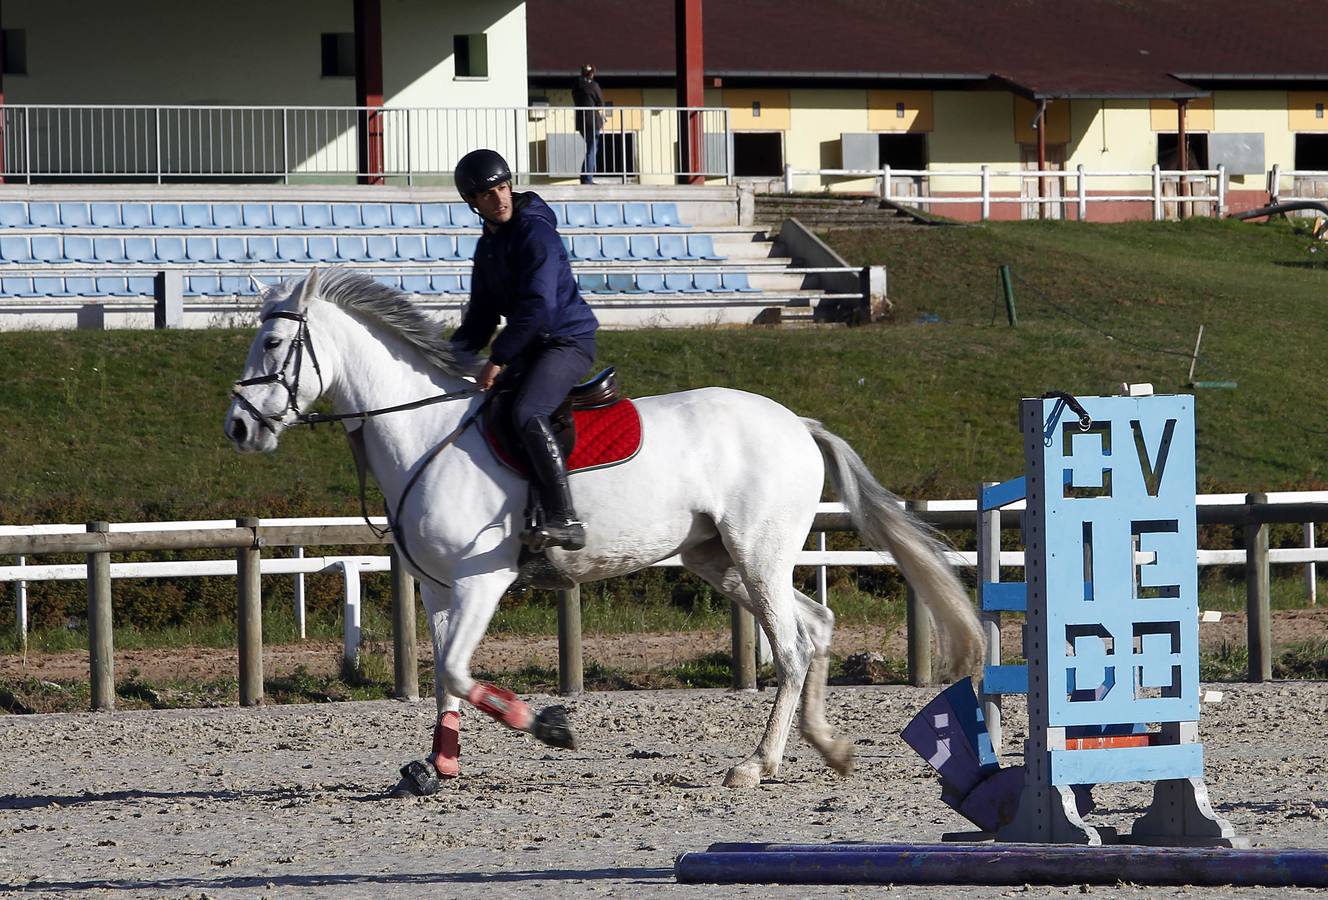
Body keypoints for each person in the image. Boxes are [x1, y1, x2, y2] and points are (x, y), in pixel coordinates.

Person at [450, 148, 599, 551]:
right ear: (472, 203)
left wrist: (497, 358)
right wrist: (441, 360)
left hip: (566, 341)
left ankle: (565, 518)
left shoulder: (536, 232)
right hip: (530, 346)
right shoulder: (488, 248)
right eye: (486, 194)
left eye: (503, 187)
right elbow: (480, 318)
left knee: (527, 411)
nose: (499, 199)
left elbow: (539, 306)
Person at [571, 64, 604, 184]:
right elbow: (600, 102)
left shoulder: (576, 86)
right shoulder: (593, 86)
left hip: (581, 121)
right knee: (592, 149)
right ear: (591, 74)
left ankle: (585, 176)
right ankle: (587, 178)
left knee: (590, 149)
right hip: (592, 121)